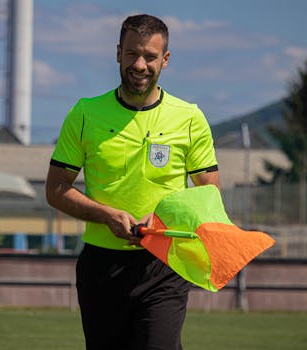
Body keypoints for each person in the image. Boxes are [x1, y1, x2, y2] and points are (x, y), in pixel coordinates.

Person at [46, 13, 219, 350]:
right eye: (131, 54)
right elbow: (56, 190)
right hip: (101, 268)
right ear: (117, 54)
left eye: (150, 56)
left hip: (164, 265)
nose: (140, 65)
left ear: (165, 60)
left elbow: (210, 194)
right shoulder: (84, 114)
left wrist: (161, 221)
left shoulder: (190, 118)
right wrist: (106, 215)